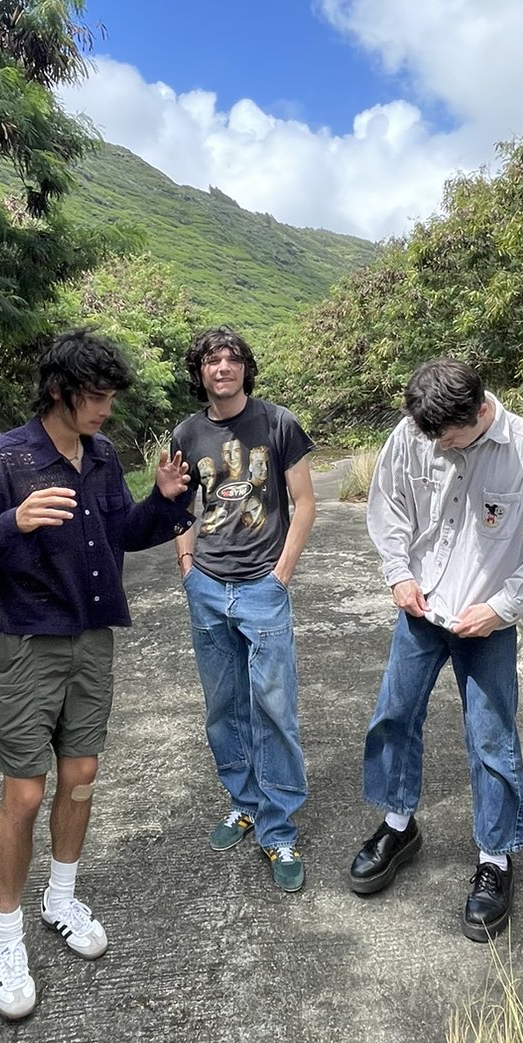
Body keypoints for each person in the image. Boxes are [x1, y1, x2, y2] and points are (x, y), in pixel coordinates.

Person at [0, 329, 192, 1020]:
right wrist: (16, 523)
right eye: (95, 397)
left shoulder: (104, 456)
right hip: (26, 642)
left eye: (112, 398)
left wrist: (165, 499)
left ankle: (60, 898)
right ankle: (6, 939)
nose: (105, 410)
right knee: (23, 796)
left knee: (80, 780)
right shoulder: (5, 458)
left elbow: (125, 534)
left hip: (90, 640)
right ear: (58, 390)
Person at [350, 357, 523, 941]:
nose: (436, 445)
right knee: (394, 717)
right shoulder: (415, 431)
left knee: (491, 738)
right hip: (420, 610)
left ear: (479, 411)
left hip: (487, 623)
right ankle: (398, 824)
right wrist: (398, 573)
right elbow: (389, 506)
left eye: (447, 437)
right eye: (429, 436)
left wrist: (499, 609)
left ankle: (495, 859)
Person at [172, 326, 316, 892]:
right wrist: (187, 566)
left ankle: (279, 828)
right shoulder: (188, 432)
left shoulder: (277, 423)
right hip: (207, 584)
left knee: (274, 708)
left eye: (232, 359)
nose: (223, 367)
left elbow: (303, 504)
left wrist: (282, 575)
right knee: (223, 704)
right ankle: (245, 801)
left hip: (262, 586)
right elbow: (182, 504)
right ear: (201, 373)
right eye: (212, 359)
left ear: (244, 369)